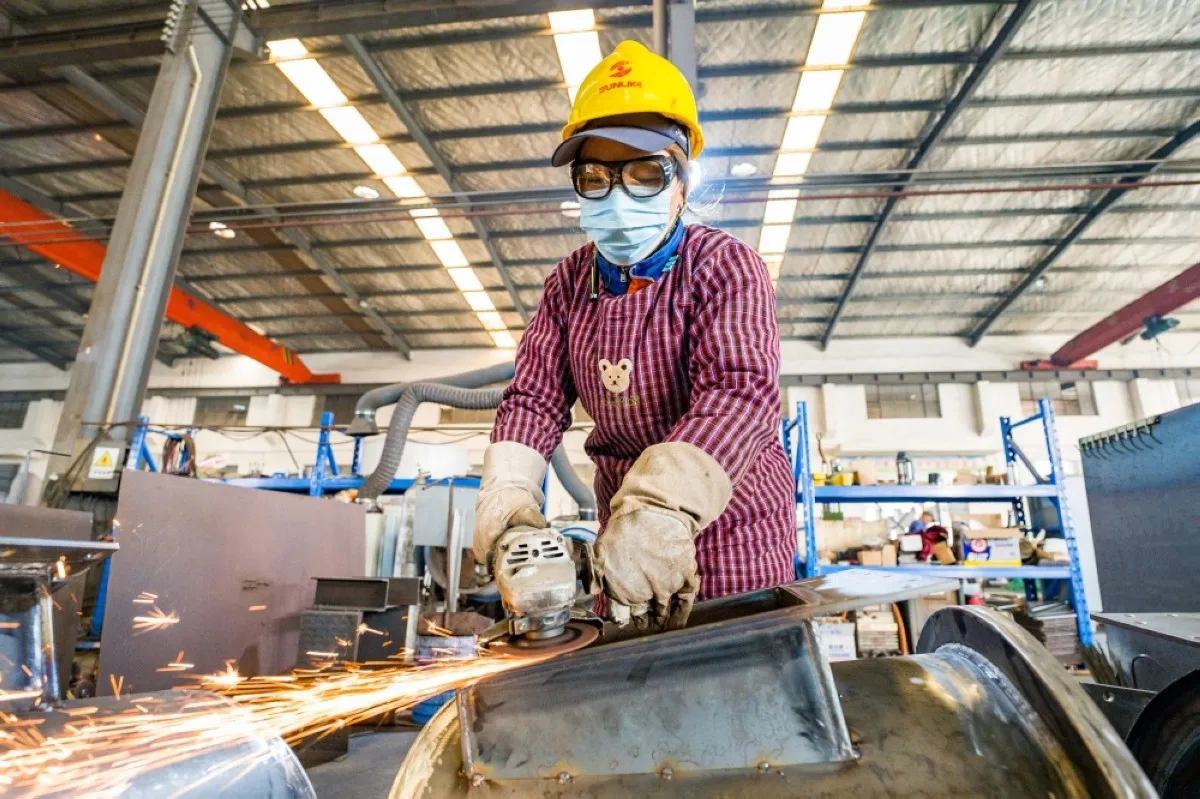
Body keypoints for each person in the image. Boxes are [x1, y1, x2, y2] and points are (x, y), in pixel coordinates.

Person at [472, 40, 796, 632]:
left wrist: (661, 511)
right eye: (596, 177)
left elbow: (740, 394)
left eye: (646, 175)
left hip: (733, 539)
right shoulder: (569, 283)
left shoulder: (725, 266)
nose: (619, 196)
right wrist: (511, 498)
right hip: (620, 545)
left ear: (683, 182)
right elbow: (533, 400)